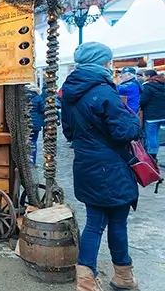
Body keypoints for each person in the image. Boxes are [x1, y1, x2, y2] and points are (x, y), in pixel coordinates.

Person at [61, 42, 141, 291]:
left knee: (94, 223)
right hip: (112, 167)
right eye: (108, 61)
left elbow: (68, 131)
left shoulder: (69, 92)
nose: (110, 65)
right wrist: (133, 120)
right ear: (101, 63)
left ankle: (86, 281)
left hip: (86, 164)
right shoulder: (105, 92)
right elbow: (123, 132)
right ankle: (123, 276)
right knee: (117, 222)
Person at [139, 69, 165, 162]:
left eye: (144, 76)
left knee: (151, 136)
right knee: (155, 135)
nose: (143, 78)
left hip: (151, 116)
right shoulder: (162, 85)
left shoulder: (147, 86)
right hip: (161, 115)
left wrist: (140, 106)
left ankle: (152, 157)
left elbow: (143, 101)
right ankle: (154, 154)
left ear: (148, 77)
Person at [26, 84, 45, 166]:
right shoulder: (38, 97)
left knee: (25, 141)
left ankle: (25, 161)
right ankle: (32, 161)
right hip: (35, 122)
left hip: (25, 121)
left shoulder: (23, 97)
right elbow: (42, 109)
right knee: (33, 141)